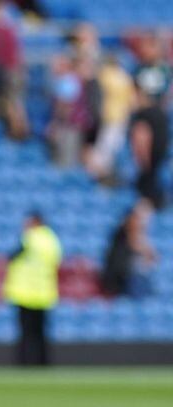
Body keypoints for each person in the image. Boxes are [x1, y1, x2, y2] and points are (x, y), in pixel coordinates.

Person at [3, 210, 61, 366]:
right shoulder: (51, 239)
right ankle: (42, 363)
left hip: (25, 294)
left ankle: (26, 363)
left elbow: (12, 257)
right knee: (41, 333)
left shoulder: (31, 238)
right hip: (44, 293)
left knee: (27, 334)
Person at [87, 54, 136, 184]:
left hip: (110, 115)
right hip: (119, 116)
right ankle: (101, 173)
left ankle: (101, 172)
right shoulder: (125, 77)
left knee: (107, 147)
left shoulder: (105, 75)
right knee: (111, 146)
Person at [101, 199, 157, 298]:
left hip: (125, 275)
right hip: (119, 277)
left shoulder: (132, 229)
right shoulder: (129, 227)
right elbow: (138, 245)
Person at [129, 73, 170, 210]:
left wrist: (143, 162)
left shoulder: (143, 114)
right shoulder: (161, 112)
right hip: (159, 164)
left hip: (149, 168)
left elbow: (141, 139)